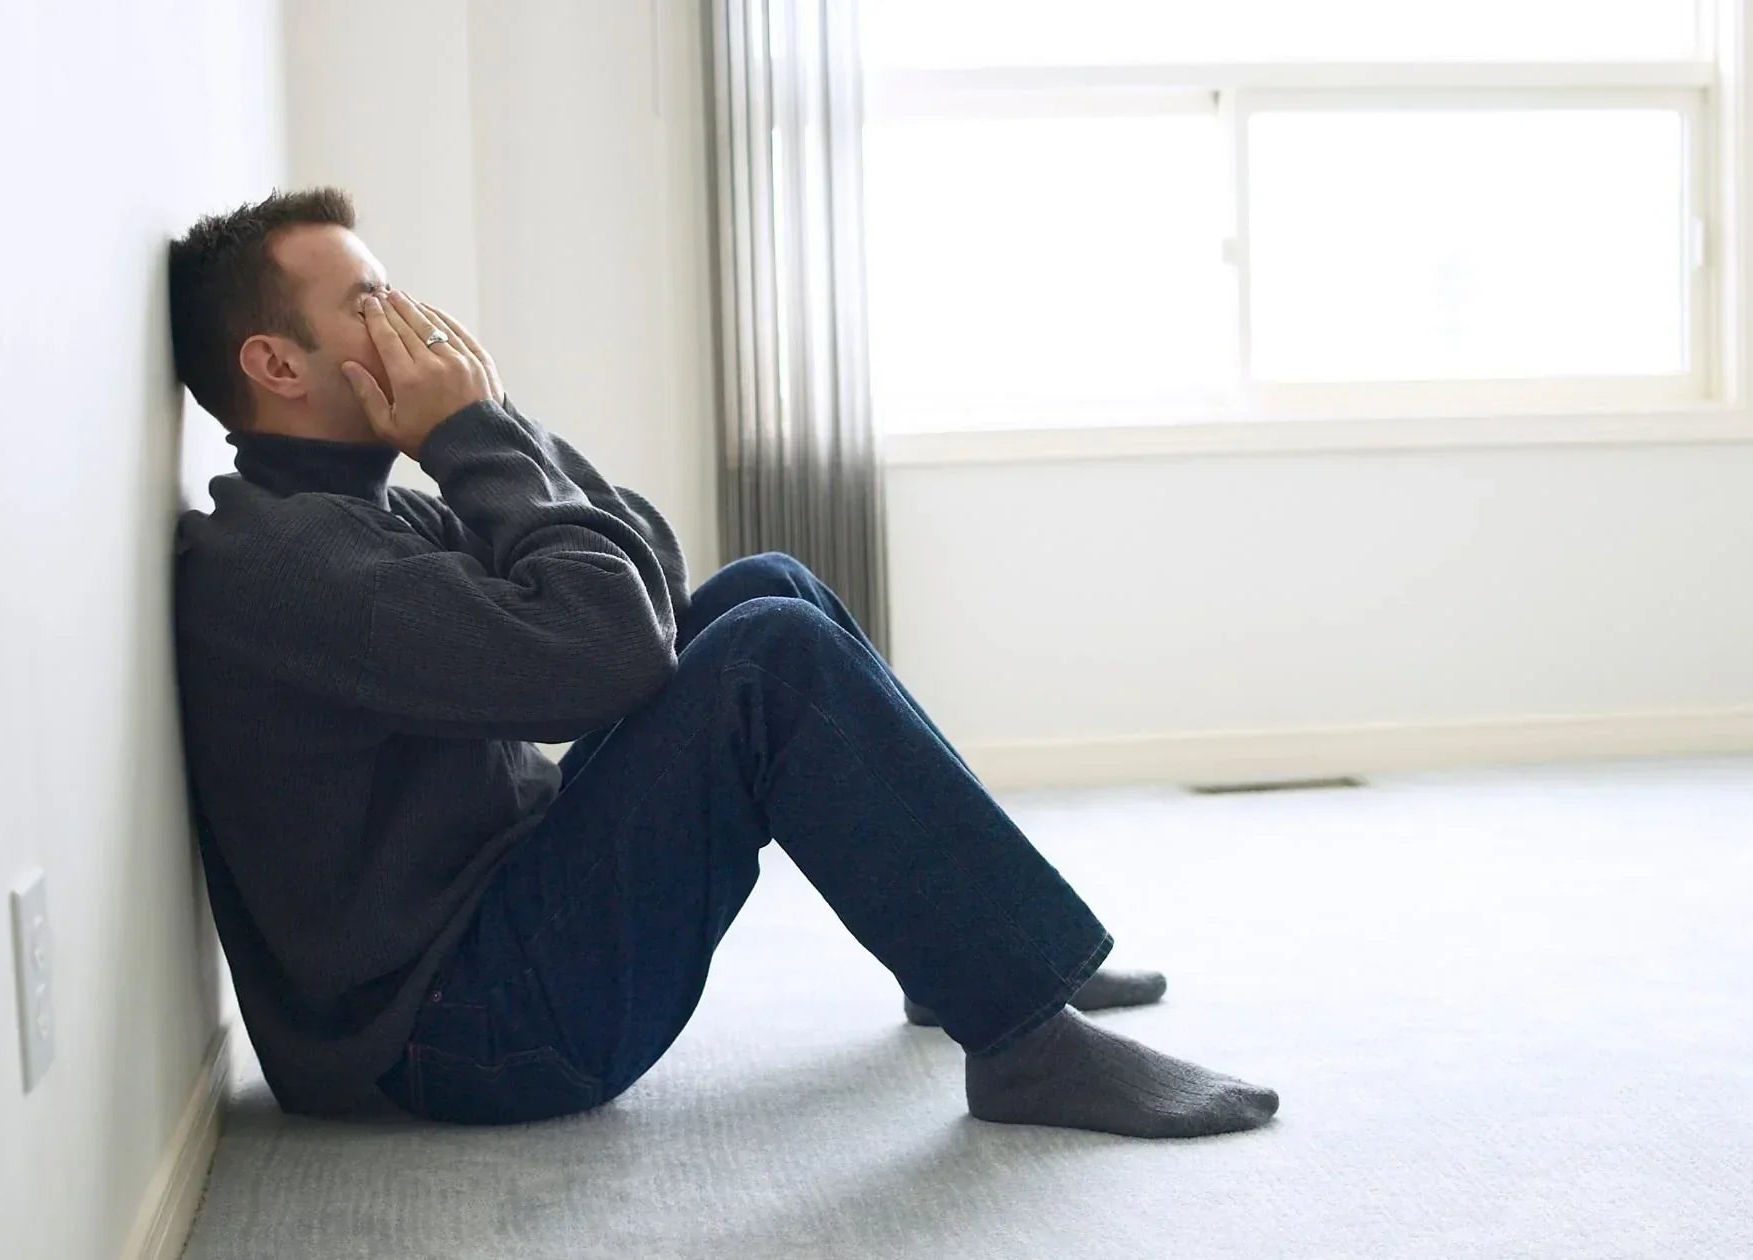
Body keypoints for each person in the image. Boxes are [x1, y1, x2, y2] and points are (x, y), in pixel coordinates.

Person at [167, 187, 1278, 1139]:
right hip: (454, 1037)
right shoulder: (291, 564)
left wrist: (493, 423)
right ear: (273, 362)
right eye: (368, 304)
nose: (411, 323)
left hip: (487, 943)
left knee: (763, 588)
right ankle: (1023, 1039)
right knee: (767, 658)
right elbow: (605, 649)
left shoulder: (354, 518)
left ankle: (976, 955)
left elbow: (648, 581)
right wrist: (470, 438)